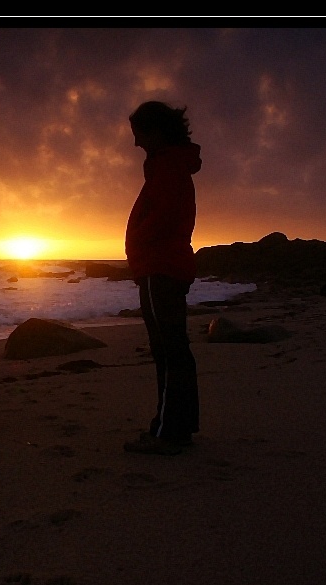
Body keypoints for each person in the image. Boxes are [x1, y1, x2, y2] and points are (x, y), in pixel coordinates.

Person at [122, 101, 202, 456]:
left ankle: (170, 432)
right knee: (172, 350)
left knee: (169, 352)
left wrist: (138, 239)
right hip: (161, 265)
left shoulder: (168, 166)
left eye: (139, 134)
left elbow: (166, 217)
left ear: (155, 132)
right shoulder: (168, 165)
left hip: (161, 266)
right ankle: (175, 425)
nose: (136, 143)